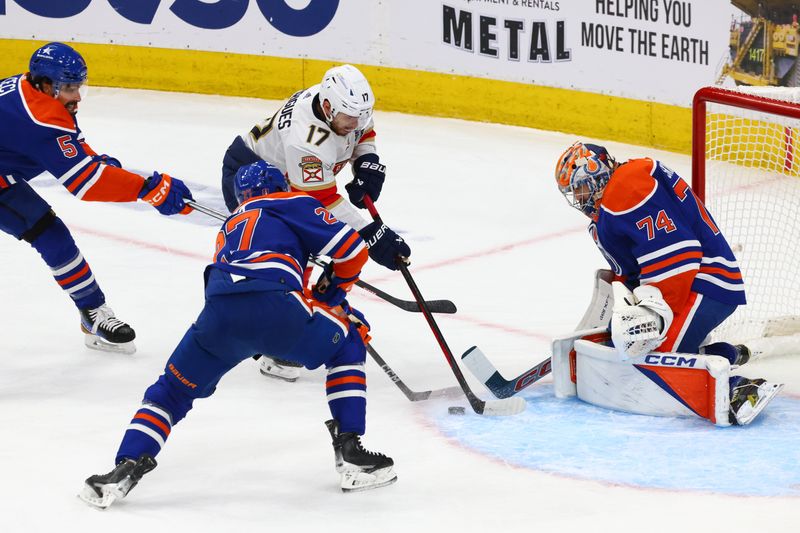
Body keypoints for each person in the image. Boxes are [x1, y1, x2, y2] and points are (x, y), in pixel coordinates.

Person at [79, 161, 396, 509]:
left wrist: (316, 297)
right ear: (282, 187)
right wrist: (335, 300)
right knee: (348, 341)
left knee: (169, 393)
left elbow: (264, 281)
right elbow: (352, 251)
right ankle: (351, 453)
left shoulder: (231, 225)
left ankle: (123, 467)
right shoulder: (294, 203)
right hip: (275, 309)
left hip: (218, 318)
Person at [554, 141, 781, 425]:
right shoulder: (610, 206)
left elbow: (680, 255)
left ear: (597, 174)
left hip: (706, 281)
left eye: (580, 187)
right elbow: (630, 274)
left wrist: (654, 318)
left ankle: (740, 388)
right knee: (627, 344)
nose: (578, 196)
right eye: (573, 192)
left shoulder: (625, 188)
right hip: (691, 281)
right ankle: (727, 355)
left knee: (650, 359)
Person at [220, 63, 410, 381]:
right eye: (349, 118)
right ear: (326, 107)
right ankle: (277, 341)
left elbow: (365, 130)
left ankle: (306, 307)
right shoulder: (305, 139)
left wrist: (366, 161)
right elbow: (319, 201)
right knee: (291, 250)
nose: (356, 123)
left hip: (291, 181)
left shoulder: (347, 108)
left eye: (360, 115)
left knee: (322, 240)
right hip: (253, 179)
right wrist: (371, 233)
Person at [0, 42, 194, 354]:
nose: (77, 97)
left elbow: (74, 152)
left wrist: (99, 161)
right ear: (46, 85)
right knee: (48, 232)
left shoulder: (31, 89)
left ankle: (92, 313)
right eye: (69, 89)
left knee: (50, 233)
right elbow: (85, 183)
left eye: (79, 88)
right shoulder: (41, 117)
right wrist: (148, 189)